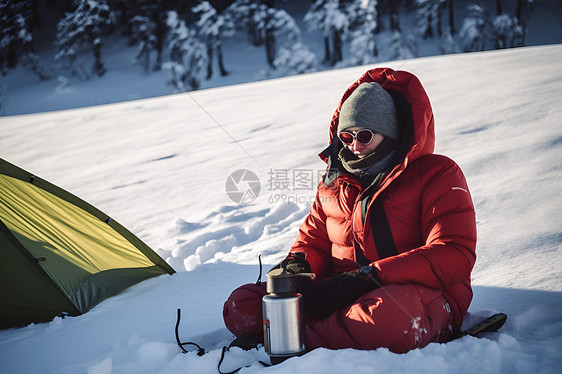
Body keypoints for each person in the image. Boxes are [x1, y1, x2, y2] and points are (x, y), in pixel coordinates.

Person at [222, 68, 477, 353]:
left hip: (418, 292)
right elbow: (313, 241)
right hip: (338, 292)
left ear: (389, 132)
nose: (354, 146)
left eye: (364, 135)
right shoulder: (335, 182)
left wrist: (371, 276)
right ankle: (311, 331)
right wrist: (299, 268)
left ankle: (294, 337)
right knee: (242, 303)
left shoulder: (437, 173)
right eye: (346, 136)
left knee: (384, 318)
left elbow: (454, 253)